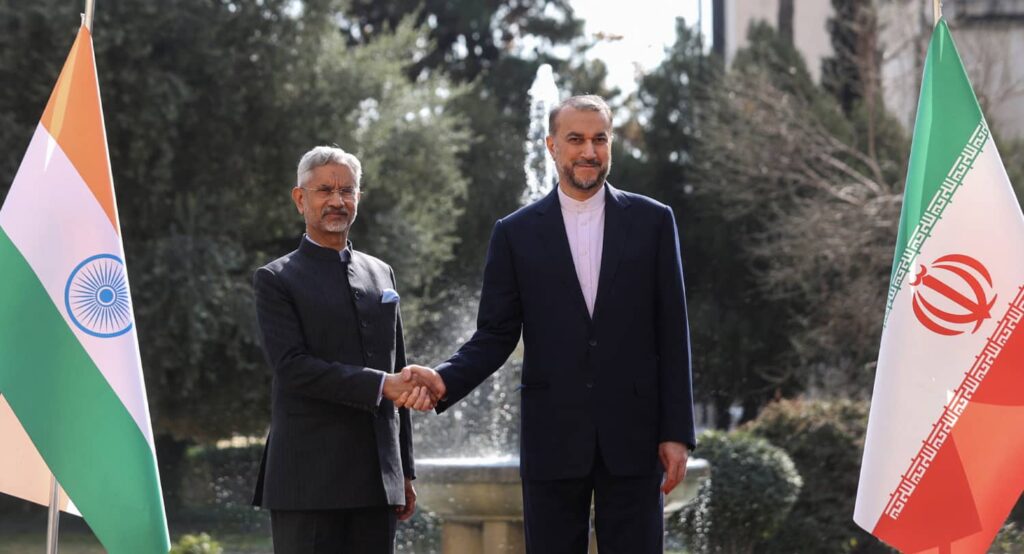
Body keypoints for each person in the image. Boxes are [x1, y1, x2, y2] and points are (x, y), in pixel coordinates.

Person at [403, 95, 696, 553]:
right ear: (551, 146)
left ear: (611, 143)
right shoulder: (514, 233)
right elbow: (496, 334)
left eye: (600, 139)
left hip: (635, 439)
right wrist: (443, 379)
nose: (589, 151)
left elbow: (673, 333)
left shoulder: (655, 221)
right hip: (552, 439)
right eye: (575, 139)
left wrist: (677, 432)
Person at [251, 146, 432, 554]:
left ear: (358, 199)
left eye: (347, 191)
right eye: (325, 190)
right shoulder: (276, 279)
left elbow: (397, 366)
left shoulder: (381, 272)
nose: (337, 200)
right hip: (308, 483)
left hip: (377, 480)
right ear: (301, 199)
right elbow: (292, 368)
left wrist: (403, 470)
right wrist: (381, 385)